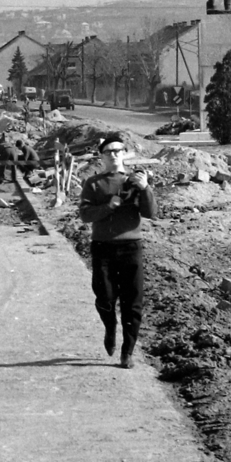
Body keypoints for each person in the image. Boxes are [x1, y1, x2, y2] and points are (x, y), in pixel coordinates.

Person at [78, 135, 156, 368]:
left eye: (118, 150)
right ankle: (110, 328)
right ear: (101, 156)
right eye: (108, 151)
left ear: (124, 153)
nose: (113, 154)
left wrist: (145, 188)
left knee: (133, 301)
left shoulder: (135, 182)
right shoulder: (93, 184)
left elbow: (151, 212)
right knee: (104, 297)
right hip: (103, 246)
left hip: (131, 246)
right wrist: (108, 206)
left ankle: (127, 352)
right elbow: (85, 215)